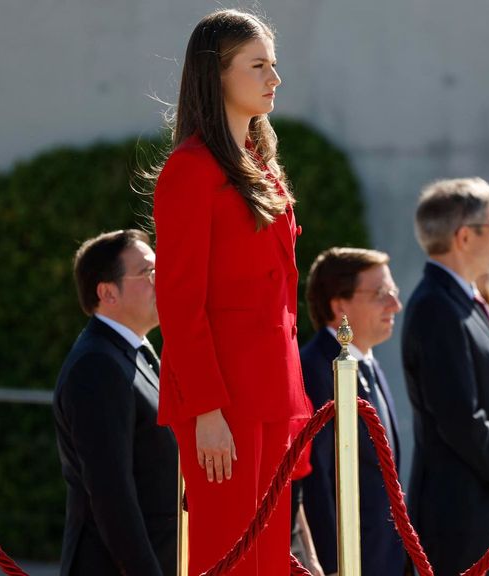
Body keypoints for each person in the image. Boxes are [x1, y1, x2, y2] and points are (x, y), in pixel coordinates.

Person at [152, 9, 320, 575]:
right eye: (258, 66)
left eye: (274, 65)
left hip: (272, 390)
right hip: (222, 399)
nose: (274, 79)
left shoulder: (262, 167)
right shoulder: (191, 170)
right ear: (217, 73)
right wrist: (206, 410)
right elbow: (179, 301)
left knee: (269, 558)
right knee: (228, 556)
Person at [401, 177, 489, 575]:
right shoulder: (437, 307)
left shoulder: (461, 300)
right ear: (464, 237)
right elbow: (461, 417)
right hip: (462, 522)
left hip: (488, 517)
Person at [52, 229, 177, 575]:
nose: (160, 279)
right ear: (107, 292)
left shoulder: (134, 352)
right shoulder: (97, 365)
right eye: (148, 272)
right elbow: (112, 496)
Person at [295, 247, 406, 575]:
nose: (394, 305)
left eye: (394, 292)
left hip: (384, 558)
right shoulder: (317, 369)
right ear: (339, 304)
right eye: (380, 293)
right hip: (350, 561)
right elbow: (315, 479)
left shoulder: (368, 362)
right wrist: (333, 565)